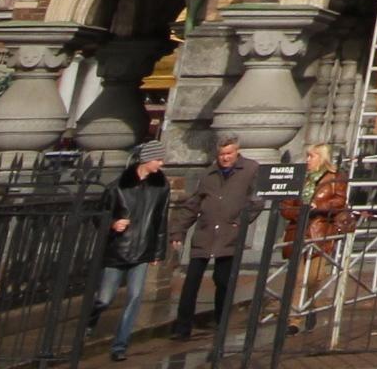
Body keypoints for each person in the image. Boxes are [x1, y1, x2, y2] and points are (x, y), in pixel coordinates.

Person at [167, 135, 266, 342]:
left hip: (230, 235)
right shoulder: (208, 174)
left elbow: (257, 200)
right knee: (191, 281)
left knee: (222, 280)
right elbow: (193, 205)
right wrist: (178, 231)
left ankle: (221, 321)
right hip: (205, 233)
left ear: (237, 152)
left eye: (229, 154)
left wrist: (240, 220)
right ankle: (182, 327)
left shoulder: (250, 169)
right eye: (221, 154)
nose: (225, 158)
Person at [92, 145, 169, 362]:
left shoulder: (161, 186)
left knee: (135, 297)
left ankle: (120, 345)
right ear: (146, 160)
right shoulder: (117, 187)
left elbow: (160, 220)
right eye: (158, 159)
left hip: (143, 249)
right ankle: (91, 319)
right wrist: (112, 224)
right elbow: (99, 216)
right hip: (118, 249)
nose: (161, 164)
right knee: (104, 298)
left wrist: (157, 252)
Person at [284, 142, 352, 332]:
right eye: (307, 156)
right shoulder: (300, 178)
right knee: (298, 278)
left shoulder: (334, 178)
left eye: (311, 156)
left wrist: (318, 207)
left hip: (320, 231)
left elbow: (339, 201)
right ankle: (294, 320)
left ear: (321, 158)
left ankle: (310, 306)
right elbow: (286, 203)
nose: (307, 160)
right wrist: (299, 212)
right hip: (298, 230)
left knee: (314, 277)